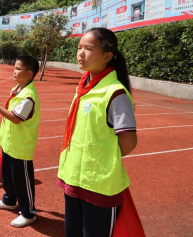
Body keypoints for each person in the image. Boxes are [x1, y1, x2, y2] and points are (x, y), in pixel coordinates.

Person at [57, 28, 138, 237]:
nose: (80, 53)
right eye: (79, 47)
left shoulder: (115, 93)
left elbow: (128, 142)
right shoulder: (84, 86)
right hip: (74, 177)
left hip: (100, 185)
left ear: (107, 56)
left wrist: (102, 159)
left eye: (89, 49)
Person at [0, 56, 40, 228]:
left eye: (18, 68)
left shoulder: (29, 96)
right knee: (8, 177)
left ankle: (28, 212)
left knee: (22, 181)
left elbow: (16, 118)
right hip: (10, 142)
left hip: (20, 146)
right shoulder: (17, 89)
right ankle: (9, 200)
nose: (14, 71)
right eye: (14, 68)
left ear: (29, 73)